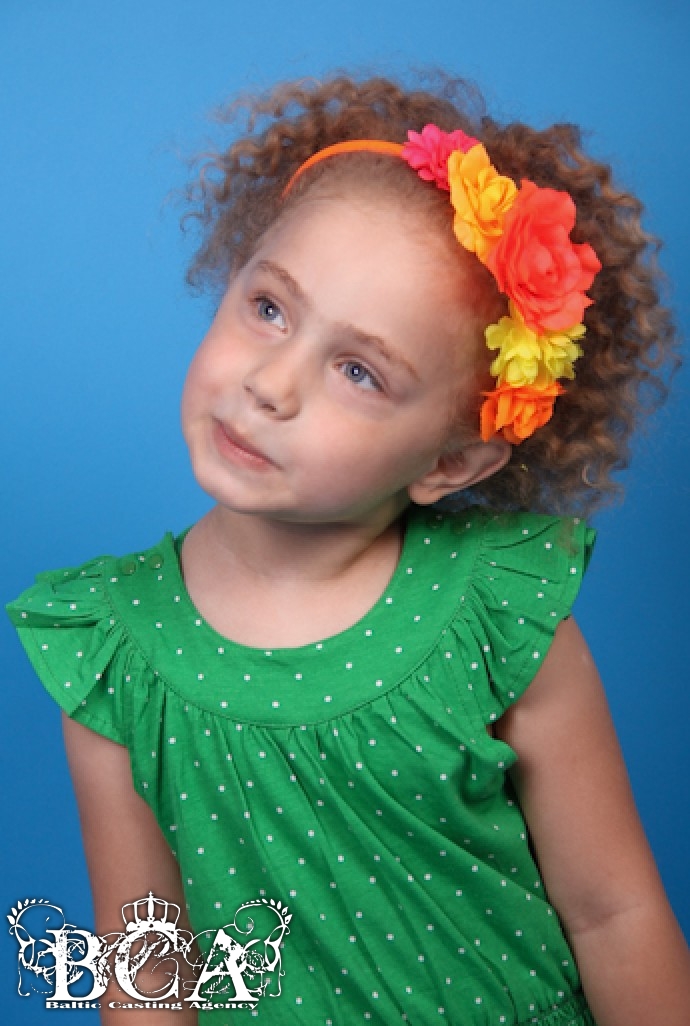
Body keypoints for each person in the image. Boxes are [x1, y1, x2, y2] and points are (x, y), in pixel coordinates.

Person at [7, 73, 690, 1025]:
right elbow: (148, 969)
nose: (272, 385)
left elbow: (615, 914)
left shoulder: (496, 615)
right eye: (270, 309)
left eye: (359, 370)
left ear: (450, 462)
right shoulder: (114, 650)